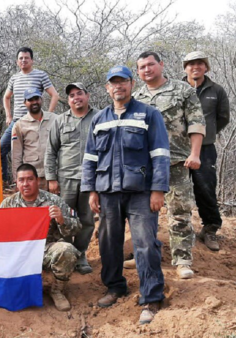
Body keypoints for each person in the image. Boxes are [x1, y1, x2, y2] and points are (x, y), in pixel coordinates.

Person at [81, 65, 170, 325]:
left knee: (145, 244)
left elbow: (160, 155)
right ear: (107, 88)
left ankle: (151, 297)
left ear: (132, 84)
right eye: (113, 83)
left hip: (141, 193)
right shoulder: (99, 119)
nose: (118, 87)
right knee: (109, 243)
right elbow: (89, 158)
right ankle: (115, 287)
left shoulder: (149, 114)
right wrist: (91, 190)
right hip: (107, 193)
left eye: (123, 82)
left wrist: (158, 190)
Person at [133, 51, 206, 279]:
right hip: (146, 165)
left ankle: (183, 259)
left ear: (161, 64)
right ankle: (143, 255)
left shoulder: (182, 91)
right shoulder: (135, 98)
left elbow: (196, 123)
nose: (147, 69)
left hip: (175, 161)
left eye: (151, 64)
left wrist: (195, 154)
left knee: (180, 212)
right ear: (138, 71)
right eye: (142, 66)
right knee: (143, 214)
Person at [0, 163, 81, 312]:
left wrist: (62, 219)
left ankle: (57, 290)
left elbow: (77, 227)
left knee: (67, 250)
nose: (26, 184)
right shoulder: (8, 204)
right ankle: (15, 286)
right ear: (16, 182)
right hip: (19, 252)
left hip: (46, 249)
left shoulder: (53, 201)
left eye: (30, 179)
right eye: (21, 180)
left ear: (37, 180)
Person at [44, 82, 98, 274]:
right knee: (63, 218)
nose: (76, 98)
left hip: (90, 178)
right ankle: (69, 254)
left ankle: (81, 254)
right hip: (65, 178)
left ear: (87, 96)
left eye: (79, 94)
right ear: (68, 100)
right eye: (72, 95)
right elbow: (51, 151)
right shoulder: (60, 121)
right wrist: (51, 178)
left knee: (87, 218)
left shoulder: (99, 118)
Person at [182, 51, 230, 251]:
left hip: (206, 149)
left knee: (206, 188)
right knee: (177, 191)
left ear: (206, 67)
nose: (195, 67)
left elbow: (223, 118)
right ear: (185, 68)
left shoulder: (216, 90)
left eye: (200, 63)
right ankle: (179, 230)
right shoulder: (177, 89)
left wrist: (206, 135)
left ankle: (209, 229)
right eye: (191, 64)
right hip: (179, 148)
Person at [1, 47, 60, 184]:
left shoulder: (40, 75)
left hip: (36, 121)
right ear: (17, 62)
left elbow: (55, 95)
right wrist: (8, 116)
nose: (23, 60)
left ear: (32, 60)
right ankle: (4, 181)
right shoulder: (14, 78)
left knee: (37, 152)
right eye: (21, 58)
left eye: (26, 58)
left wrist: (49, 115)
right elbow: (6, 97)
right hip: (17, 122)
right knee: (0, 149)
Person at [10, 88, 56, 189]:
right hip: (33, 177)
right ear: (25, 102)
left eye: (36, 98)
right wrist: (17, 178)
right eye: (30, 100)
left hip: (54, 175)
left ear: (41, 100)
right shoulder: (19, 125)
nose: (34, 102)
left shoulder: (55, 119)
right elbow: (16, 154)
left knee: (56, 204)